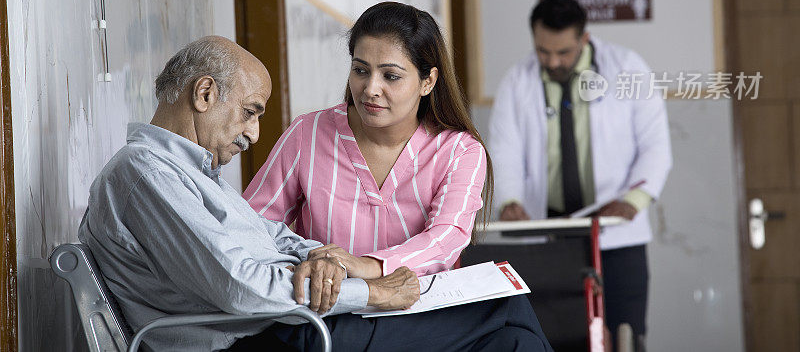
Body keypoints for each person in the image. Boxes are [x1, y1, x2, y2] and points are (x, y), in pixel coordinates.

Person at [79, 35, 553, 351]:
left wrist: (327, 259)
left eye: (392, 76)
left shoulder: (192, 173)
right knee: (506, 318)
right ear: (204, 95)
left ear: (426, 83)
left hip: (291, 322)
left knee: (511, 333)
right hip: (261, 336)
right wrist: (368, 291)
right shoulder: (144, 175)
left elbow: (270, 237)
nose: (254, 133)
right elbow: (239, 286)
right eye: (249, 112)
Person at [244, 2, 492, 279]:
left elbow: (446, 239)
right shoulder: (307, 133)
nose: (371, 89)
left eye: (391, 76)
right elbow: (250, 227)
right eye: (361, 70)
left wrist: (368, 266)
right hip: (329, 315)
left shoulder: (459, 151)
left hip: (422, 314)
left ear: (428, 82)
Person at [489, 0, 672, 350]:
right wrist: (510, 200)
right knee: (549, 338)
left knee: (625, 336)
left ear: (584, 39)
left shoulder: (627, 67)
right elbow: (504, 150)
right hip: (548, 237)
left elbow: (655, 146)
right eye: (543, 52)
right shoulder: (516, 81)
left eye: (564, 52)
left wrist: (633, 202)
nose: (553, 61)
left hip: (617, 236)